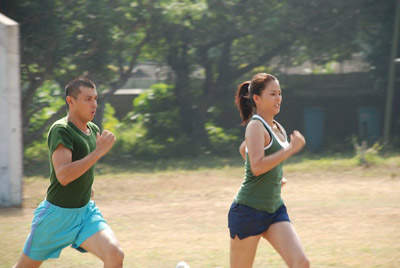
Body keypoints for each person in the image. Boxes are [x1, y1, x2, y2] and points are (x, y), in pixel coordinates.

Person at [13, 78, 124, 268]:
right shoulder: (61, 130)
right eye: (88, 99)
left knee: (115, 254)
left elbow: (84, 168)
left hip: (85, 213)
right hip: (56, 216)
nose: (94, 104)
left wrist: (87, 191)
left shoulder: (93, 130)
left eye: (95, 98)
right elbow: (63, 176)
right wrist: (98, 152)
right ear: (70, 101)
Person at [228, 73, 309, 268]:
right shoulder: (255, 126)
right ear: (257, 98)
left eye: (279, 93)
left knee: (301, 263)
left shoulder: (277, 127)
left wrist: (274, 176)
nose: (278, 98)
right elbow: (256, 167)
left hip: (274, 209)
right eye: (272, 94)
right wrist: (290, 149)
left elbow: (244, 149)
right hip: (248, 211)